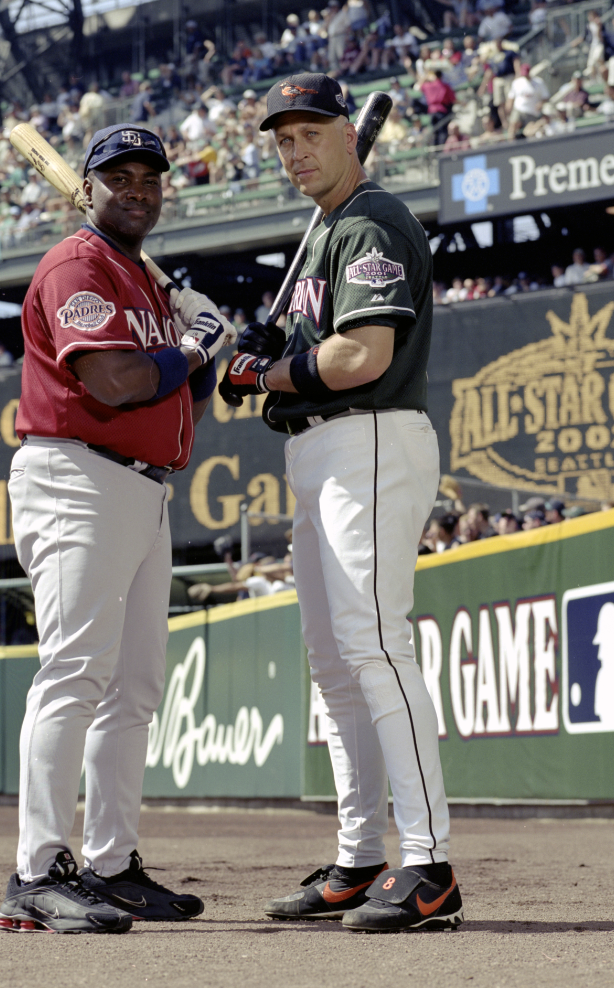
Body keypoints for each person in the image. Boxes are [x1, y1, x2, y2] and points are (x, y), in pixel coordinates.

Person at [219, 73, 462, 932]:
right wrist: (267, 349)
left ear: (346, 134)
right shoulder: (328, 230)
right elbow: (314, 346)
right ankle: (361, 854)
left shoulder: (369, 220)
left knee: (376, 647)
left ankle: (428, 862)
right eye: (282, 140)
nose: (295, 152)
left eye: (310, 133)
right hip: (319, 445)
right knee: (335, 662)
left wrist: (268, 372)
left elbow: (361, 353)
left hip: (367, 431)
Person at [1, 123, 235, 935]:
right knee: (74, 673)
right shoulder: (80, 264)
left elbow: (179, 403)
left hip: (145, 487)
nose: (138, 187)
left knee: (132, 689)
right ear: (91, 186)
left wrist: (200, 344)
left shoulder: (145, 281)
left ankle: (110, 863)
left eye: (150, 176)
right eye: (120, 175)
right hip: (76, 472)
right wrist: (194, 345)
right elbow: (116, 380)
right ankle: (35, 871)